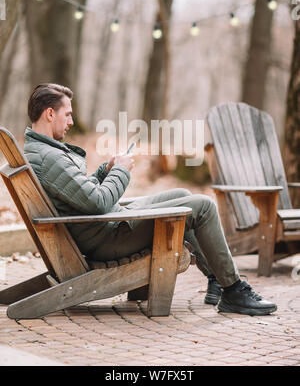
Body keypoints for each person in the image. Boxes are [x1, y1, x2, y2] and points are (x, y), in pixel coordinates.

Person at [23, 83, 277, 316]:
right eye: (67, 114)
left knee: (182, 196)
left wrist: (106, 169)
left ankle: (215, 279)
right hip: (107, 236)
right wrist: (122, 169)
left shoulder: (45, 151)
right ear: (49, 114)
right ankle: (233, 289)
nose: (71, 121)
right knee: (204, 206)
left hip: (103, 225)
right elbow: (98, 202)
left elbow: (79, 191)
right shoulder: (49, 157)